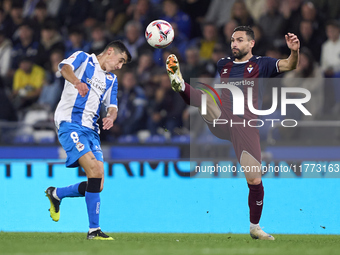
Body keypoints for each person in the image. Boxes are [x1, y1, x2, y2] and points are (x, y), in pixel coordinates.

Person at [166, 26, 300, 240]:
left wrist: (294, 51)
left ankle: (255, 227)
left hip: (245, 127)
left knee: (255, 180)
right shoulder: (223, 65)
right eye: (232, 40)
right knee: (207, 99)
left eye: (239, 40)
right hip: (223, 119)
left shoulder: (262, 64)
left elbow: (290, 65)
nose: (234, 44)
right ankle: (180, 84)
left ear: (251, 43)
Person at [45, 40, 131, 240]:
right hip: (70, 123)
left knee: (97, 184)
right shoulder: (83, 58)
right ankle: (94, 230)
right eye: (120, 61)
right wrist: (76, 82)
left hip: (92, 131)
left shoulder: (111, 80)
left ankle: (56, 194)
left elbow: (113, 106)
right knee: (95, 171)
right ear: (110, 52)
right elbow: (64, 67)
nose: (119, 67)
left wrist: (110, 116)